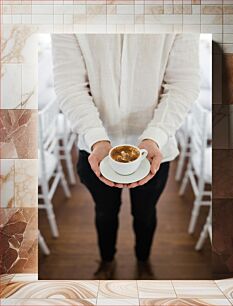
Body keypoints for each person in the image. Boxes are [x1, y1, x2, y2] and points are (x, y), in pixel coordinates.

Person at [51, 33, 200, 279]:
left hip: (155, 148)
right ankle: (107, 260)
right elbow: (70, 85)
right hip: (94, 147)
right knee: (104, 212)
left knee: (146, 212)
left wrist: (156, 134)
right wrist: (96, 136)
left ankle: (143, 260)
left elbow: (183, 83)